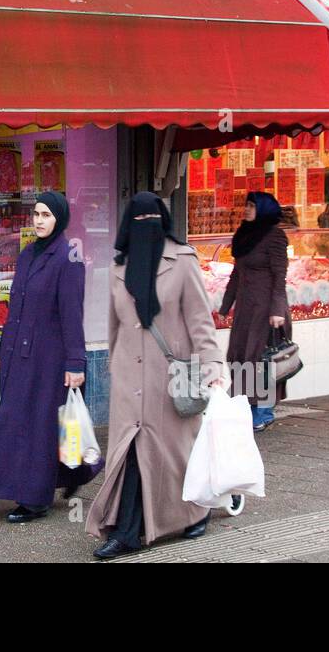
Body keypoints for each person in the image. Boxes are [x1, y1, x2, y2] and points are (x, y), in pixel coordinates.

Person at [86, 192, 226, 558]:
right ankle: (126, 530)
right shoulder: (119, 268)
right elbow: (115, 324)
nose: (145, 229)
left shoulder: (181, 261)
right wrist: (112, 366)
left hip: (171, 376)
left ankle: (194, 511)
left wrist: (212, 367)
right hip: (128, 380)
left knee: (172, 454)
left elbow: (200, 321)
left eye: (151, 221)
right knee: (130, 453)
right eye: (138, 222)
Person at [0, 191, 101, 522]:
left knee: (37, 427)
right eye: (36, 214)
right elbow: (16, 311)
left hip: (50, 360)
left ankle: (35, 498)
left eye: (46, 215)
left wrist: (75, 363)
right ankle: (75, 472)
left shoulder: (67, 258)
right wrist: (1, 351)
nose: (39, 220)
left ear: (60, 219)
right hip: (19, 356)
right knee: (22, 423)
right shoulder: (27, 255)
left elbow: (72, 314)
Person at [221, 191, 290, 433]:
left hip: (267, 310)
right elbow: (236, 273)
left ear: (264, 209)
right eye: (246, 205)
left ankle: (263, 411)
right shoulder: (244, 235)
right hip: (245, 308)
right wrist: (224, 306)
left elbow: (280, 275)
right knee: (240, 356)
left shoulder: (275, 236)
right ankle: (246, 408)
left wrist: (277, 309)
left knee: (261, 360)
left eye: (252, 206)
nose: (246, 209)